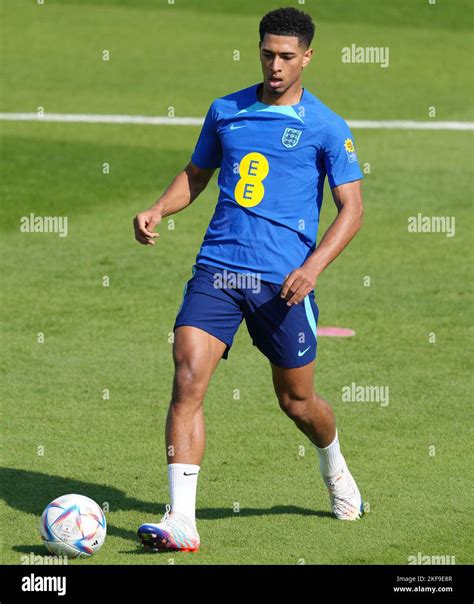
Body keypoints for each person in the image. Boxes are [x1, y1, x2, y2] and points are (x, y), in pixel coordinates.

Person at [133, 6, 364, 552]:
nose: (275, 65)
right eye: (267, 54)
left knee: (297, 401)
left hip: (283, 282)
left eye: (287, 56)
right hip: (218, 269)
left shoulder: (326, 126)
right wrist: (160, 209)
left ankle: (334, 465)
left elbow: (351, 209)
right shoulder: (226, 110)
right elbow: (196, 175)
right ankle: (182, 521)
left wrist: (312, 268)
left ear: (307, 57)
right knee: (188, 375)